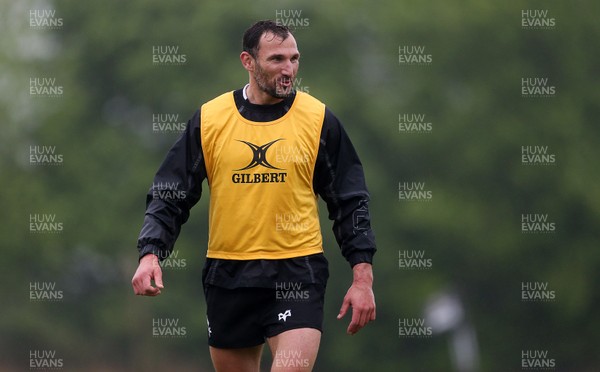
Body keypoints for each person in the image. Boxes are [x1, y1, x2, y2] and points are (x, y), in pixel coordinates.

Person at [132, 20, 376, 371]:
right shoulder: (211, 118)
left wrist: (362, 275)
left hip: (297, 270)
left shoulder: (318, 119)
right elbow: (170, 193)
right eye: (277, 59)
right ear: (248, 61)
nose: (288, 69)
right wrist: (150, 253)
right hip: (228, 274)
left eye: (294, 59)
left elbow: (351, 199)